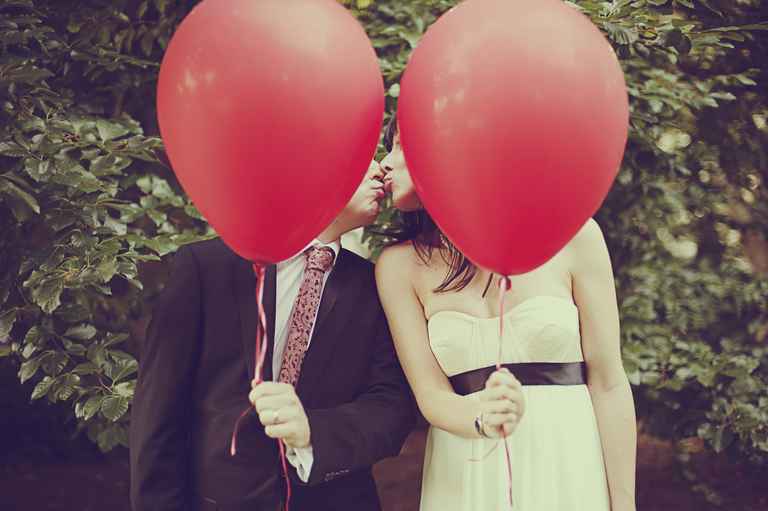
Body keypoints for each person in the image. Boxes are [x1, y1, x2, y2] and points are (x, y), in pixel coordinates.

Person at [375, 118, 637, 511]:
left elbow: (608, 382)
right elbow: (430, 396)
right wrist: (481, 417)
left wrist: (624, 502)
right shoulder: (398, 266)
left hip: (569, 461)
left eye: (399, 147)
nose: (384, 163)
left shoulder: (575, 237)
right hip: (465, 467)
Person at [130, 163, 415, 511]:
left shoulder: (376, 285)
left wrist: (313, 432)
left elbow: (391, 409)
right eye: (363, 158)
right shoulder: (206, 267)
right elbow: (158, 412)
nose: (380, 170)